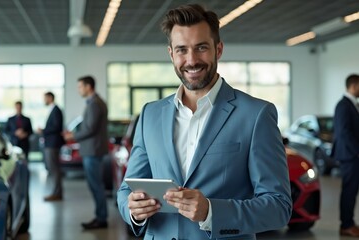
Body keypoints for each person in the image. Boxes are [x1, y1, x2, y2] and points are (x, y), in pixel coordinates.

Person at [116, 4, 292, 239]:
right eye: (182, 50)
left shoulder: (256, 114)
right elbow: (127, 190)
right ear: (171, 54)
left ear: (218, 49)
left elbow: (279, 207)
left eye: (201, 48)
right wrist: (134, 210)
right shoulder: (150, 115)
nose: (191, 60)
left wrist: (212, 212)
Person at [63, 76, 109, 229]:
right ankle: (100, 216)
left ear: (88, 86)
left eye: (80, 87)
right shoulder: (94, 102)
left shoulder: (95, 104)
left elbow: (90, 129)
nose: (79, 90)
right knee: (95, 184)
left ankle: (101, 218)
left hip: (93, 151)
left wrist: (73, 136)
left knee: (96, 185)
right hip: (92, 150)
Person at [332, 74, 359, 237]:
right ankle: (346, 224)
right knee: (349, 190)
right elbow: (344, 133)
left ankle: (349, 222)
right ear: (354, 85)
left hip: (352, 155)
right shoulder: (343, 105)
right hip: (350, 156)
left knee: (352, 190)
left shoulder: (351, 104)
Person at [37, 92, 65, 201]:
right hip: (50, 143)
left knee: (54, 168)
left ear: (50, 98)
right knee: (53, 168)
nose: (44, 100)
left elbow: (57, 127)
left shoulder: (56, 110)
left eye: (45, 98)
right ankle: (56, 192)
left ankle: (57, 193)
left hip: (53, 144)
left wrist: (43, 130)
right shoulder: (53, 109)